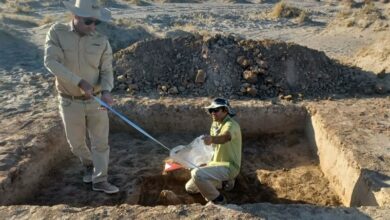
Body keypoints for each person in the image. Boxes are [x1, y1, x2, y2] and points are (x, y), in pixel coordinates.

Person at [44, 0, 118, 194]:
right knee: (75, 143)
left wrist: (107, 91)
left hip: (96, 101)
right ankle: (88, 164)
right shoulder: (57, 32)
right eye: (88, 21)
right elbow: (51, 62)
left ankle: (100, 179)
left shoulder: (101, 41)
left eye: (97, 22)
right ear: (75, 16)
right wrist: (79, 82)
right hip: (69, 101)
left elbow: (107, 70)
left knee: (101, 143)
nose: (93, 26)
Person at [185, 98, 242, 205]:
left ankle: (218, 199)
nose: (212, 113)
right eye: (210, 110)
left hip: (229, 167)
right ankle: (224, 183)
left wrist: (212, 139)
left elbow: (225, 137)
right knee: (190, 188)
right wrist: (203, 161)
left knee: (197, 174)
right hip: (216, 163)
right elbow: (214, 148)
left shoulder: (231, 125)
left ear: (225, 110)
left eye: (216, 110)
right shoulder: (215, 124)